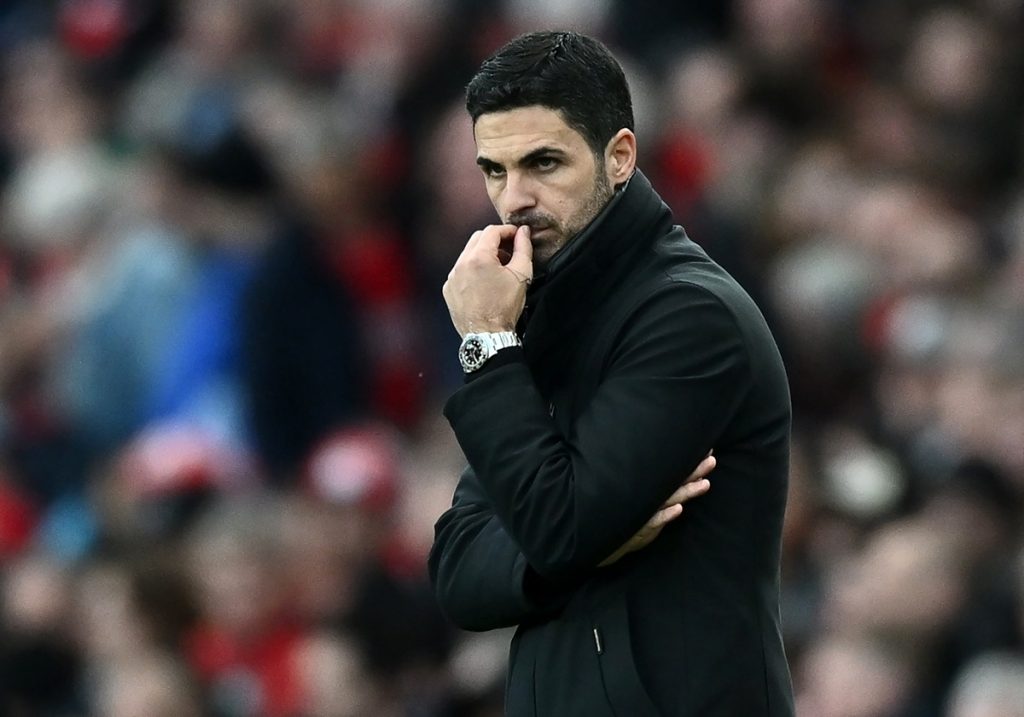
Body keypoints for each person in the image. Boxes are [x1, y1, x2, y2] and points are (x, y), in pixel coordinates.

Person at [428, 30, 794, 716]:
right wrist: (569, 551)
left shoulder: (689, 315)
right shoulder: (537, 309)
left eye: (543, 163)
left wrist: (485, 341)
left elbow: (557, 526)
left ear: (619, 156)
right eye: (495, 170)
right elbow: (456, 571)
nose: (514, 199)